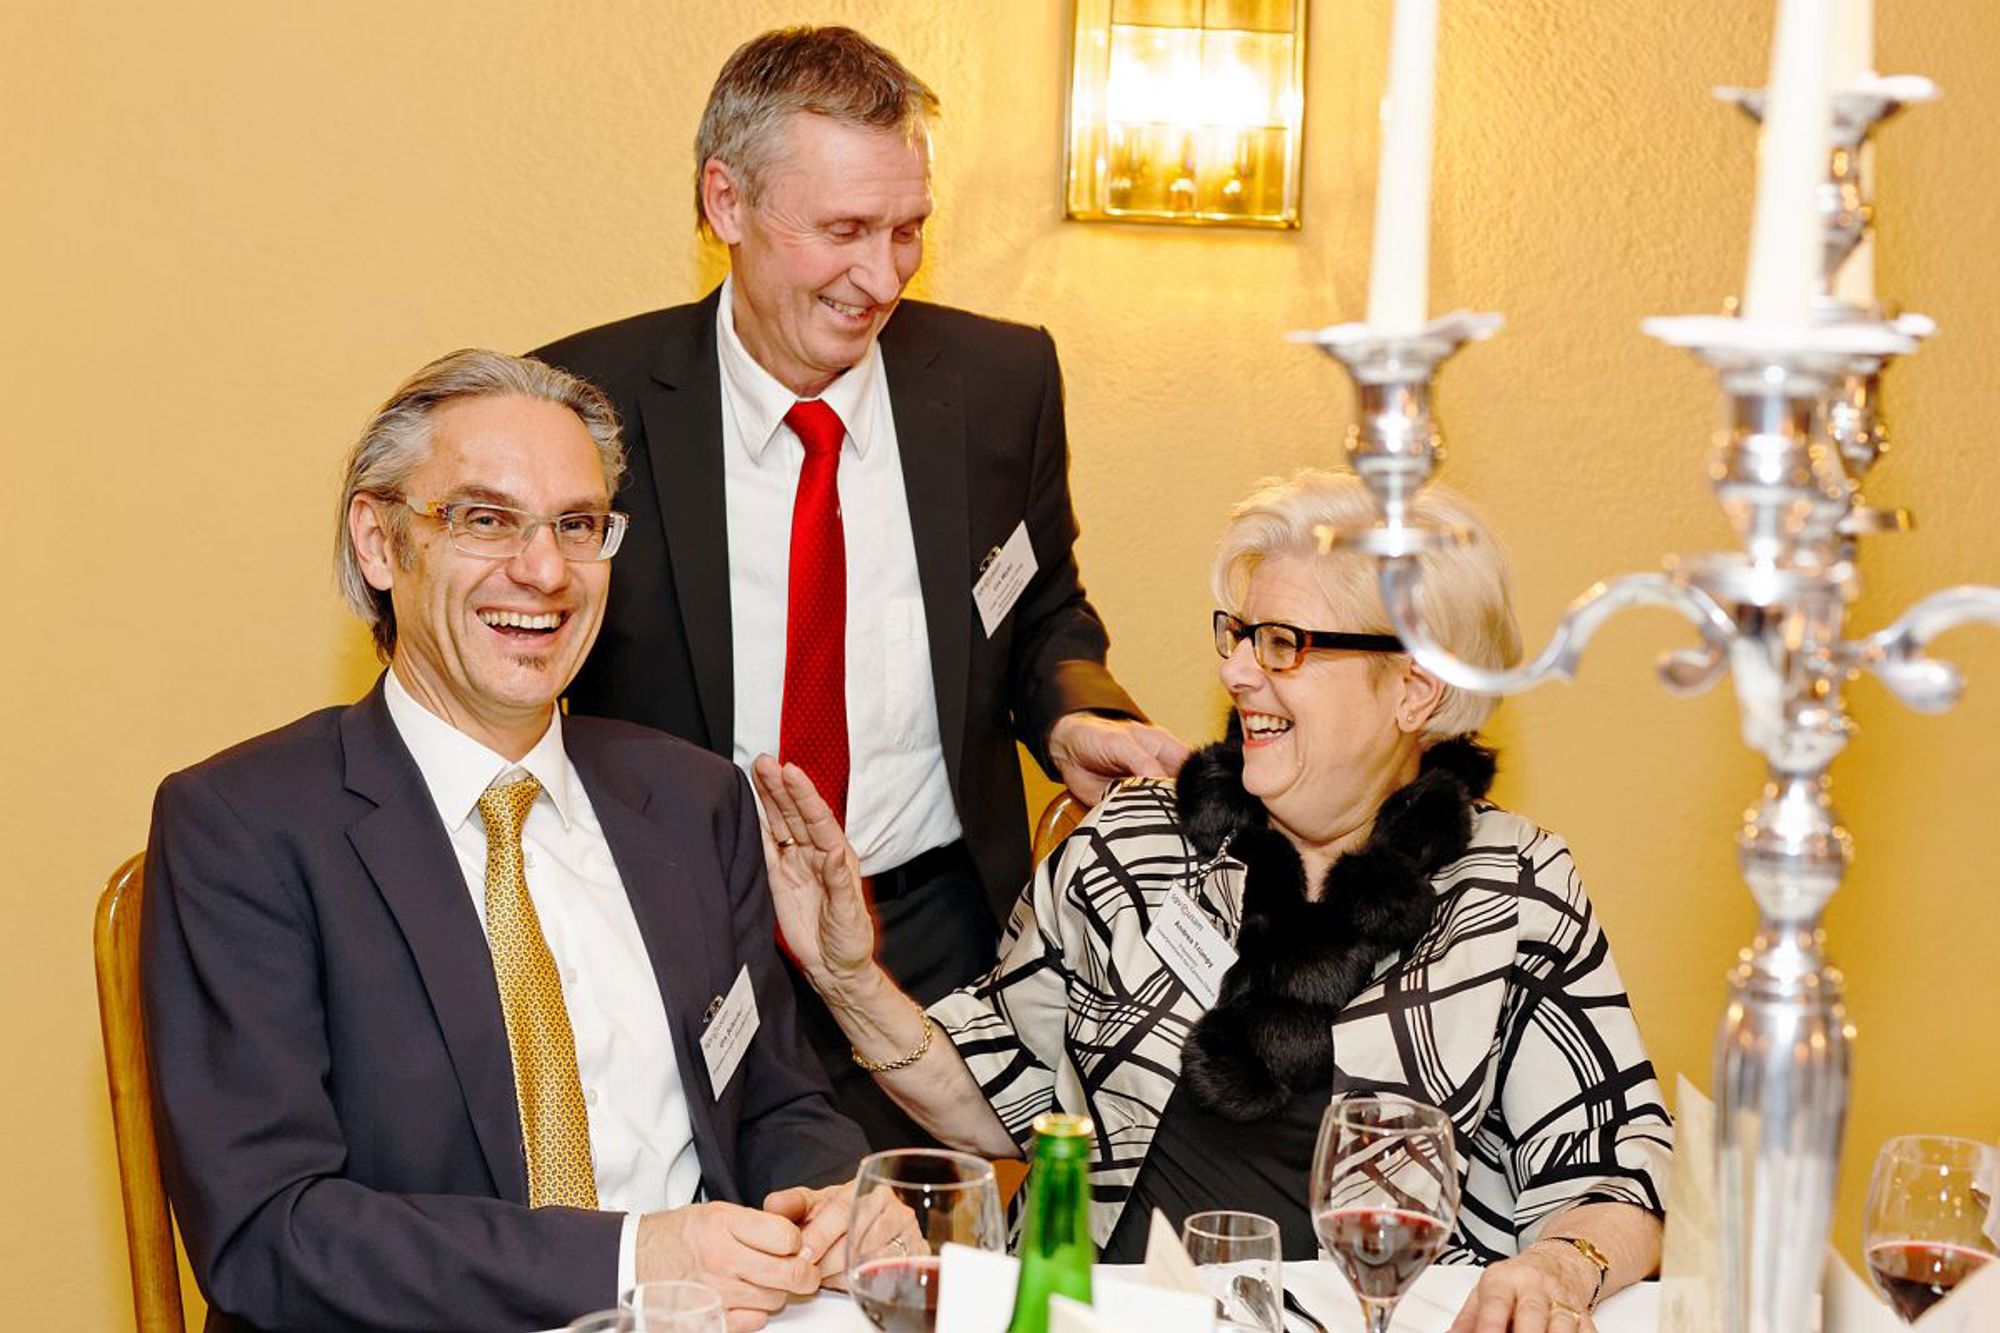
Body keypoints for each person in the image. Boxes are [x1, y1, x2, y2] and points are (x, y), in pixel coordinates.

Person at [759, 471, 1674, 1333]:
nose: (1238, 671)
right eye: (1238, 633)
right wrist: (846, 974)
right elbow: (994, 1093)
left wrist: (1561, 1268)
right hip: (1090, 1315)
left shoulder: (1514, 893)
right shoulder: (1138, 843)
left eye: (1283, 642)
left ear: (1415, 688)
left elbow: (1618, 1173)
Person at [531, 25, 1188, 1148]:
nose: (881, 278)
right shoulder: (582, 403)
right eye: (842, 231)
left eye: (907, 230)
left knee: (925, 1252)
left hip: (930, 940)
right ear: (727, 202)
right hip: (677, 930)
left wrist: (1075, 712)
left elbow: (1038, 608)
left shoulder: (999, 382)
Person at [141, 350, 879, 1333]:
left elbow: (776, 1102)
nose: (544, 571)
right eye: (486, 520)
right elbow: (270, 1233)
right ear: (379, 542)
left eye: (577, 525)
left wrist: (830, 1199)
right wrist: (628, 1259)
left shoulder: (693, 801)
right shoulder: (245, 828)